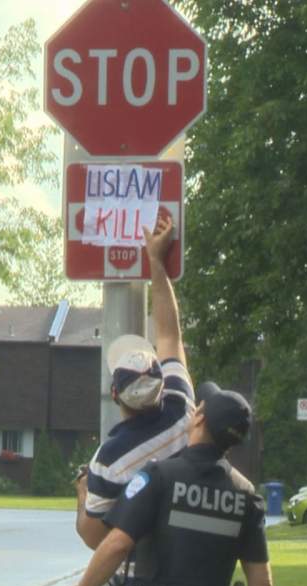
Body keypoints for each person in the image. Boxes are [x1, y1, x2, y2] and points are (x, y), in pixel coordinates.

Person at [60, 386, 273, 586]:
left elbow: (116, 545)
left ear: (198, 419)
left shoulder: (159, 476)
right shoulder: (247, 496)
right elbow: (261, 583)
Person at [75, 212, 198, 551]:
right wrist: (156, 262)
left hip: (142, 580)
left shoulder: (109, 460)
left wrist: (83, 489)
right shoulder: (182, 410)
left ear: (115, 395)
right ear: (162, 383)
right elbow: (170, 334)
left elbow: (92, 537)